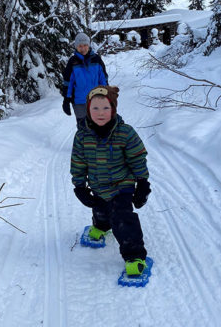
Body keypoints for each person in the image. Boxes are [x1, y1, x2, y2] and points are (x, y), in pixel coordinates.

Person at [70, 85, 152, 276]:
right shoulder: (82, 136)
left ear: (113, 109)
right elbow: (78, 162)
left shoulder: (125, 132)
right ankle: (101, 226)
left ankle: (134, 256)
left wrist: (142, 183)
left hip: (121, 185)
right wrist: (80, 186)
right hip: (98, 185)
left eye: (105, 108)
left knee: (121, 217)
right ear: (88, 110)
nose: (100, 113)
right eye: (95, 108)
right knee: (100, 210)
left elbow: (137, 158)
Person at [61, 32, 108, 125]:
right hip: (79, 102)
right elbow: (68, 83)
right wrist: (66, 100)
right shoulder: (72, 62)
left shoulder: (96, 60)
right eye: (80, 46)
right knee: (83, 129)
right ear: (76, 47)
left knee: (98, 127)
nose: (83, 48)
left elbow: (103, 79)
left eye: (85, 45)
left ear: (89, 45)